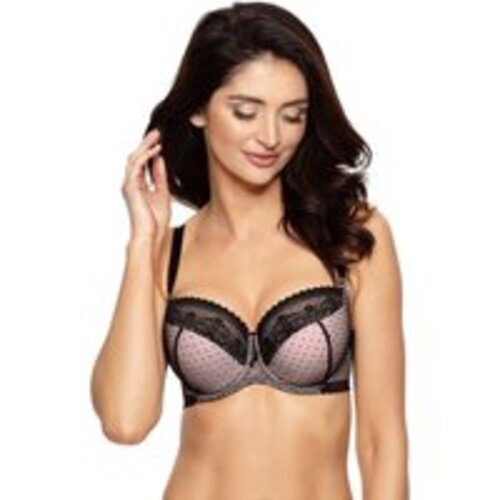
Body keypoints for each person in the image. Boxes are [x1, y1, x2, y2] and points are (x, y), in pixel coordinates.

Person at [90, 2, 409, 499]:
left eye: (293, 115)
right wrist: (143, 243)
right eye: (245, 112)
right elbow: (125, 421)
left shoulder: (350, 237)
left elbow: (381, 441)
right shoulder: (167, 254)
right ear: (198, 109)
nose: (271, 137)